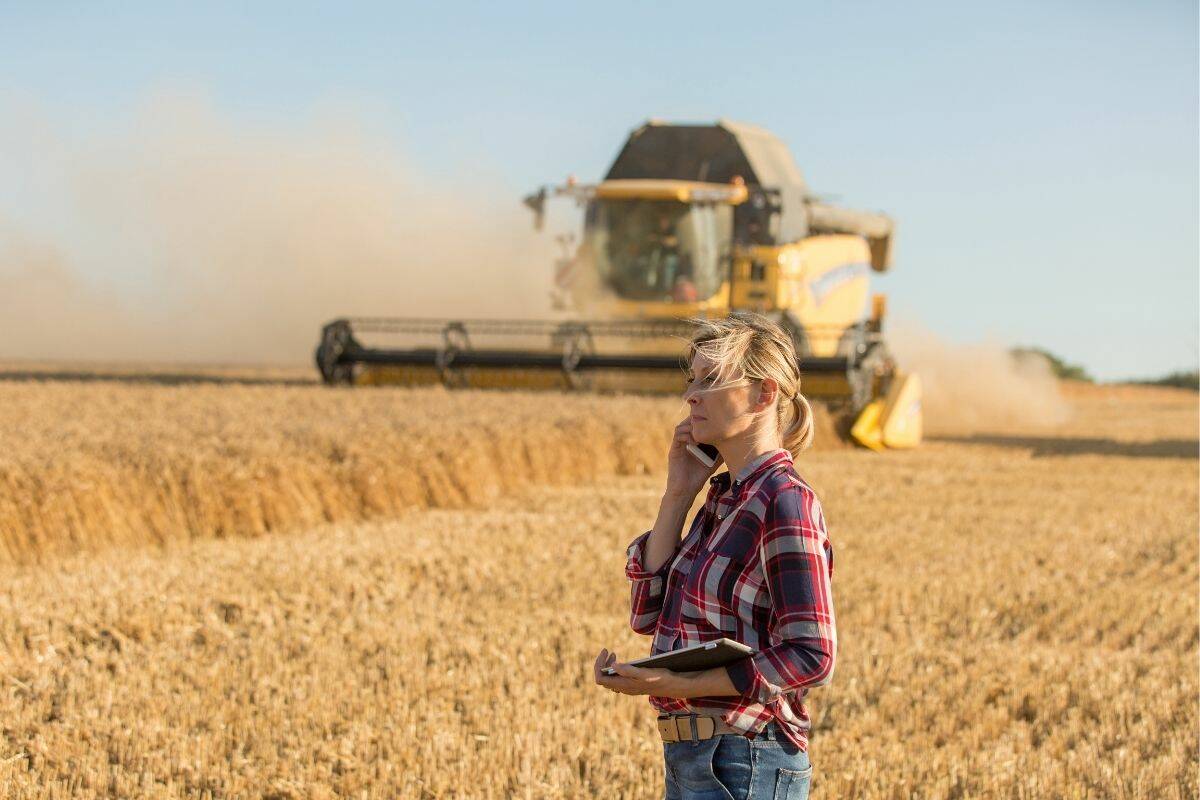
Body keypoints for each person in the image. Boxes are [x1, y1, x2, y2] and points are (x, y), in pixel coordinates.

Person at [592, 311, 835, 800]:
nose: (690, 395)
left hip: (747, 759)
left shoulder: (784, 501)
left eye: (710, 379)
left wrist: (677, 681)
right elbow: (647, 615)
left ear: (764, 393)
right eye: (692, 380)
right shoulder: (722, 499)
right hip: (694, 759)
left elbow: (813, 655)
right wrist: (678, 495)